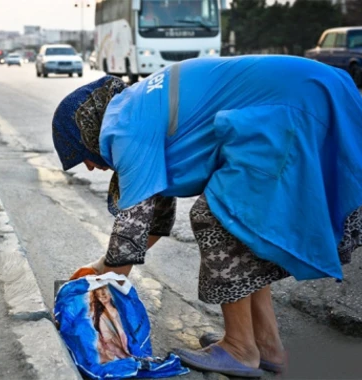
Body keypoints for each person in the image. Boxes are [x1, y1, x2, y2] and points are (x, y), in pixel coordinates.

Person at [51, 55, 362, 378]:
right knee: (245, 227)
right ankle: (267, 345)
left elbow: (129, 240)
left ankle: (240, 348)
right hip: (314, 89)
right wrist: (98, 268)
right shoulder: (136, 107)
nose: (88, 166)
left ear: (86, 128)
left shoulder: (124, 126)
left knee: (219, 216)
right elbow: (153, 223)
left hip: (299, 101)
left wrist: (92, 290)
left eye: (79, 153)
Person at [90, 286, 131, 363]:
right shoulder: (102, 317)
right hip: (115, 345)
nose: (102, 297)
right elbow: (107, 337)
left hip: (128, 341)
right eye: (99, 296)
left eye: (104, 294)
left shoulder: (120, 310)